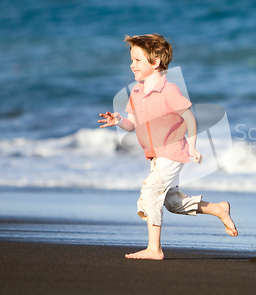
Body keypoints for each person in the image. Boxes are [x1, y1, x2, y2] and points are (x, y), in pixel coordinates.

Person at [98, 34, 238, 260]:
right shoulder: (136, 92)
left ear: (155, 63)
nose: (131, 64)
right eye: (131, 60)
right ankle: (218, 209)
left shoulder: (169, 90)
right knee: (172, 202)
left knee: (151, 192)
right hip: (156, 157)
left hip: (172, 154)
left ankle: (154, 249)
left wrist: (192, 147)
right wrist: (118, 121)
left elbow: (190, 119)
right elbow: (132, 124)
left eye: (137, 60)